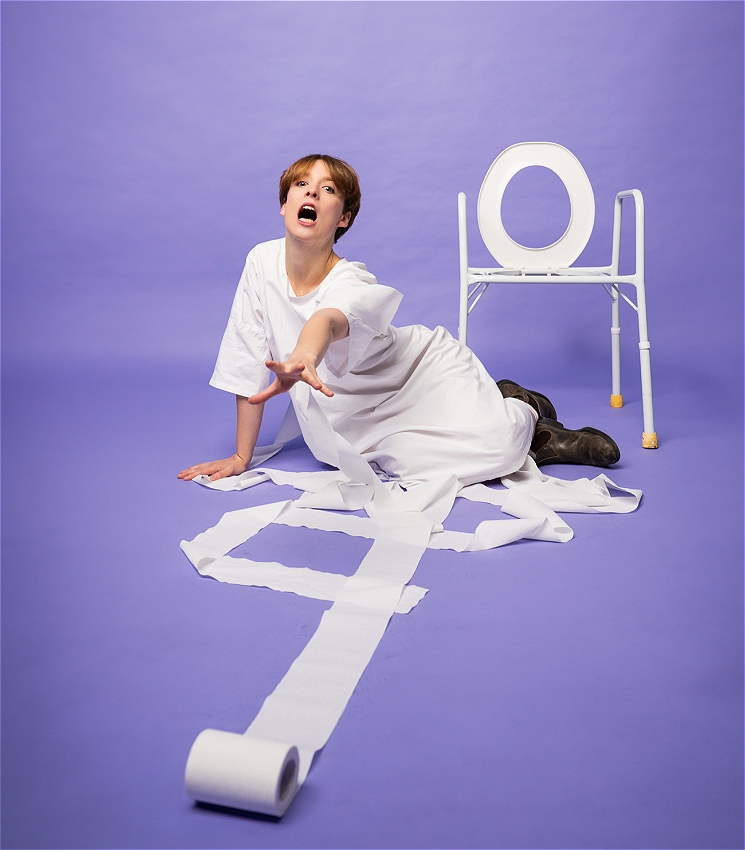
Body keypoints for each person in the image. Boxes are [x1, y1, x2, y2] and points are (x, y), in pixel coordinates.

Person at [178, 154, 619, 487]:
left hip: (416, 374)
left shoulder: (352, 278)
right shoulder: (260, 262)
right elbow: (247, 354)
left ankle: (523, 412)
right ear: (284, 204)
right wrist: (240, 457)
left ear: (344, 218)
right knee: (425, 466)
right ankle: (515, 411)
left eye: (328, 189)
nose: (311, 193)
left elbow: (329, 320)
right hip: (347, 416)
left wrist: (302, 357)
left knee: (499, 447)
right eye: (301, 184)